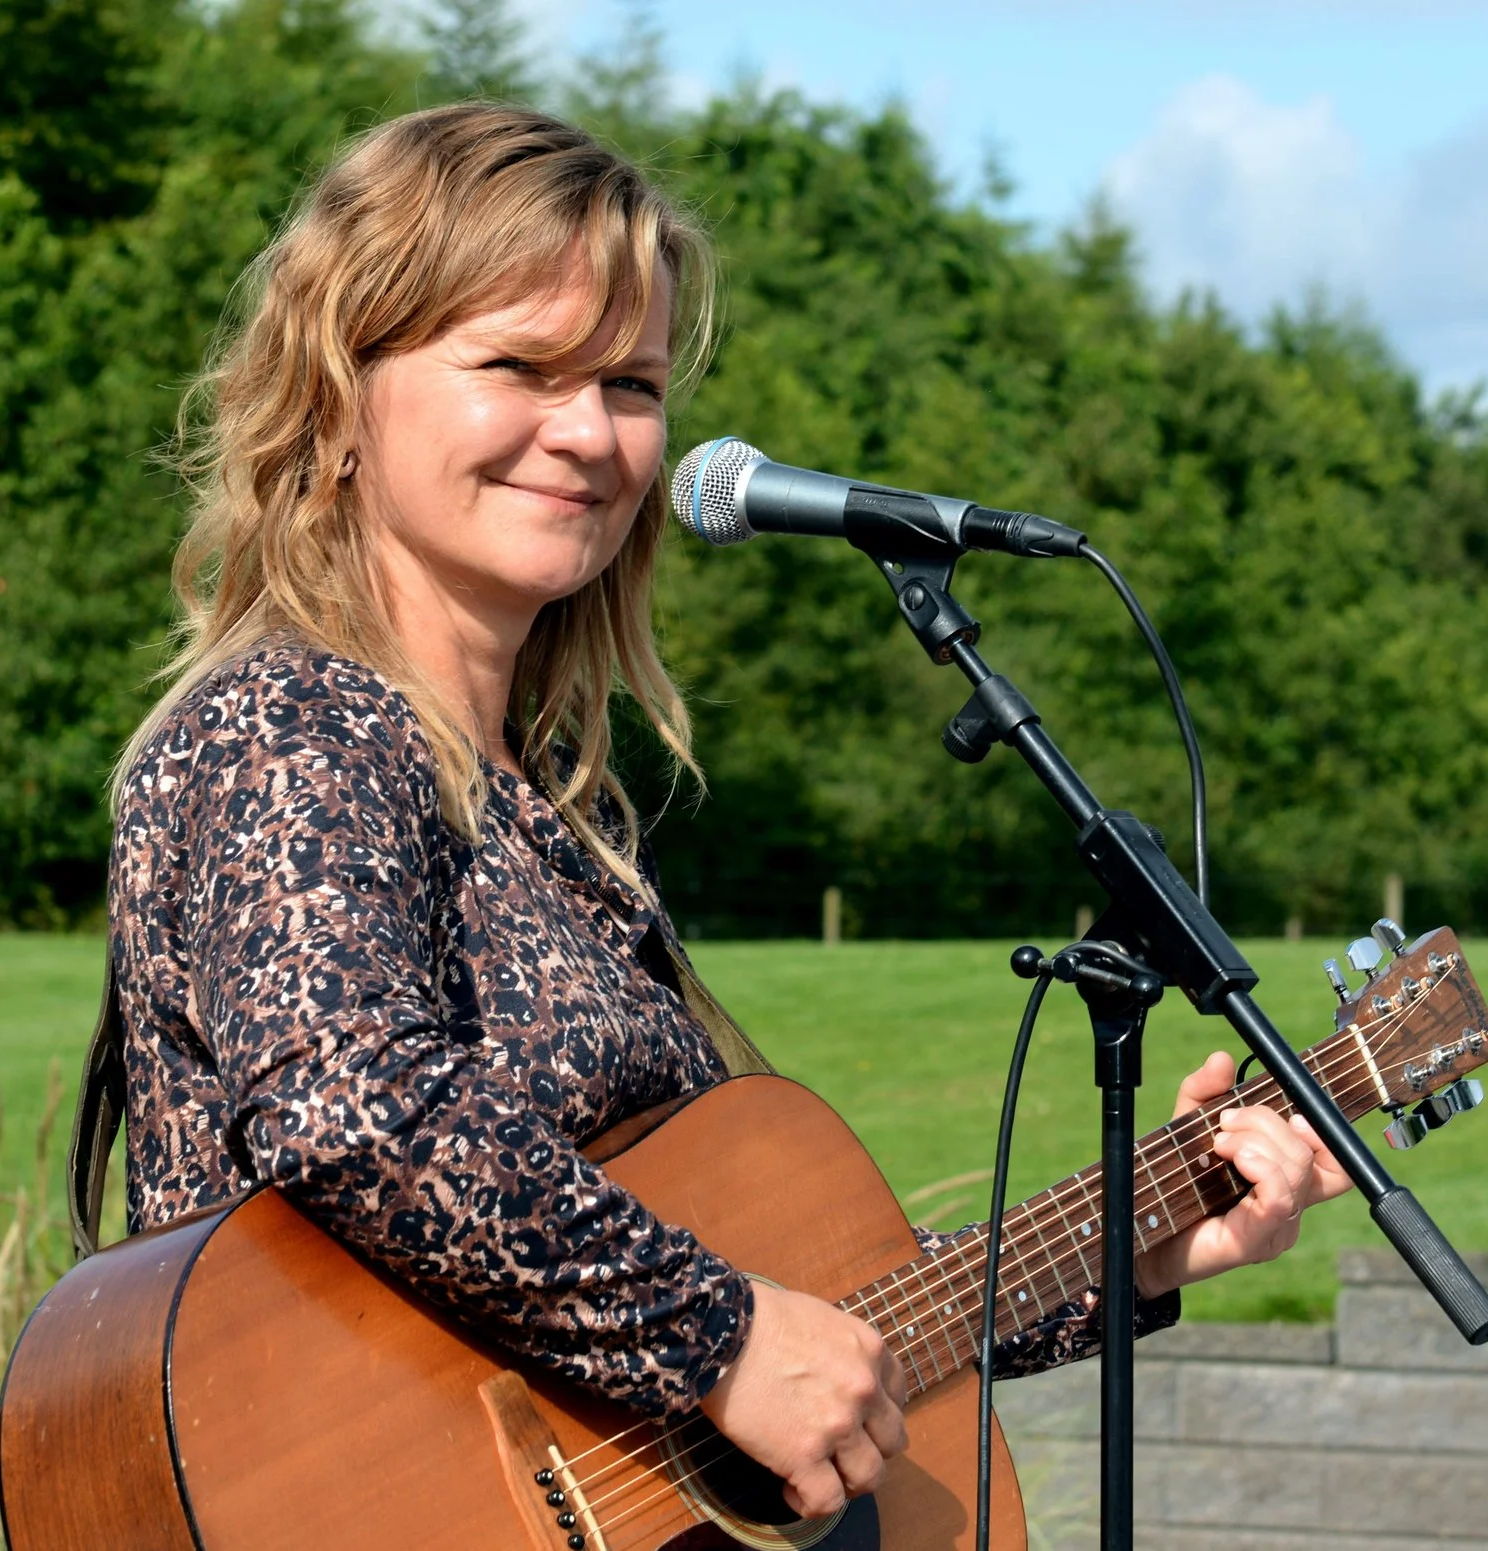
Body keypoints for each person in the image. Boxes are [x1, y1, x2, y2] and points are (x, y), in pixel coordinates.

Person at [106, 103, 1350, 1523]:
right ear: (338, 399)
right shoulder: (294, 724)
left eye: (631, 385)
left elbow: (790, 1344)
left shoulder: (556, 820)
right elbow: (352, 1102)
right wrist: (721, 1336)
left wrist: (1140, 1242)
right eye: (519, 365)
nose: (587, 434)